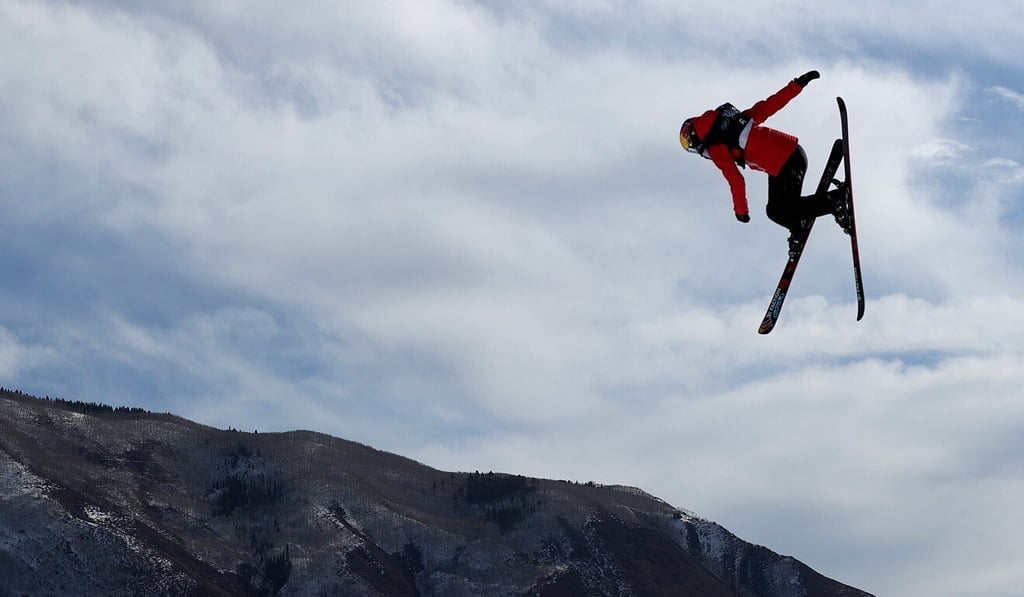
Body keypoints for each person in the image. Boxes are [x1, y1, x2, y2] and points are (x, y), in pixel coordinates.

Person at [678, 71, 849, 247]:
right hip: (791, 156)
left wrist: (741, 212)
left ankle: (834, 201)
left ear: (694, 138)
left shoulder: (716, 148)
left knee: (780, 211)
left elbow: (736, 181)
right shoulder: (735, 122)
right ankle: (801, 222)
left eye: (687, 143)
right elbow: (769, 106)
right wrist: (797, 85)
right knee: (777, 210)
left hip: (785, 163)